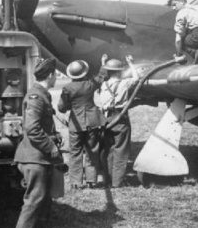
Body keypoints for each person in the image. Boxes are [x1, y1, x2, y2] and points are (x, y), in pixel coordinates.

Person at [12, 58, 63, 228]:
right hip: (34, 157)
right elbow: (32, 129)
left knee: (44, 199)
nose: (56, 77)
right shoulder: (36, 96)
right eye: (55, 74)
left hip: (40, 157)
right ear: (50, 75)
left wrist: (54, 135)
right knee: (34, 199)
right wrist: (51, 147)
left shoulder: (42, 95)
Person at [57, 56, 107, 189]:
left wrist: (70, 106)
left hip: (76, 124)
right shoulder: (90, 84)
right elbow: (101, 76)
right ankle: (91, 180)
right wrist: (103, 63)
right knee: (92, 151)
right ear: (84, 72)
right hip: (92, 121)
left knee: (75, 152)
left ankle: (76, 182)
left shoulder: (67, 88)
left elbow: (61, 108)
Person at [98, 55, 139, 188]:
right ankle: (117, 182)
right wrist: (131, 63)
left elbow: (102, 75)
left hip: (106, 118)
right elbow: (137, 78)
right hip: (120, 117)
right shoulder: (125, 83)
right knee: (121, 150)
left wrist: (103, 63)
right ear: (119, 72)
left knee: (108, 150)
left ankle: (108, 180)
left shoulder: (103, 84)